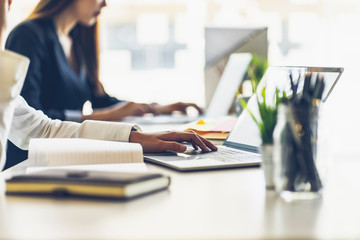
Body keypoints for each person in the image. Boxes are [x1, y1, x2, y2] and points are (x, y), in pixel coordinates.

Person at [0, 0, 217, 170]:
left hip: (61, 154)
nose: (105, 4)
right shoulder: (28, 35)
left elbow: (97, 102)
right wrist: (119, 124)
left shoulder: (76, 39)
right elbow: (35, 121)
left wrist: (152, 112)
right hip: (29, 162)